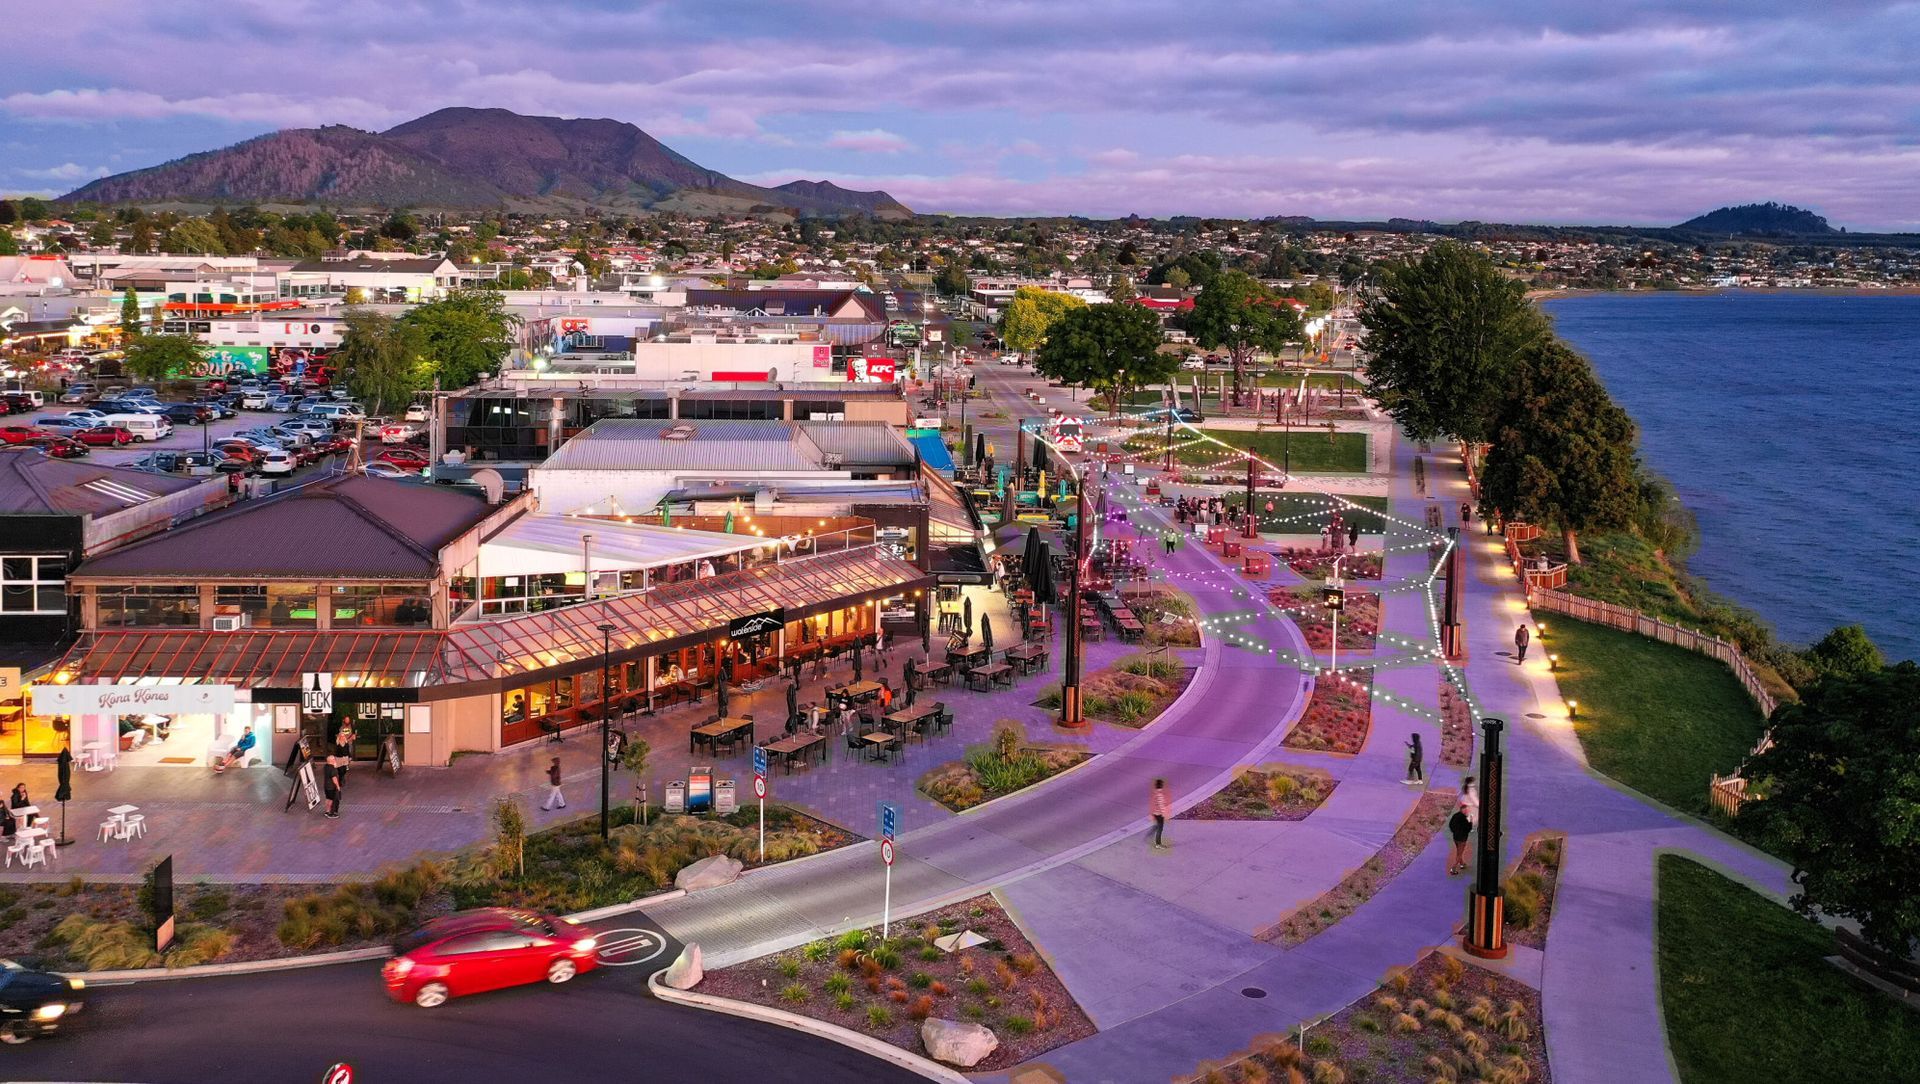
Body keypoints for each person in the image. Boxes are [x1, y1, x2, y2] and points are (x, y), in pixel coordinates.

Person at [1448, 777, 1478, 875]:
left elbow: (1451, 824)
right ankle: (1453, 868)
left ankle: (1462, 863)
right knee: (1459, 852)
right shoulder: (1467, 818)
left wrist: (1454, 831)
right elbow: (1468, 827)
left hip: (1455, 836)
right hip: (1462, 838)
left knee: (1458, 850)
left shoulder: (1456, 816)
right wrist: (1468, 829)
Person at [323, 724, 354, 820]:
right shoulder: (332, 769)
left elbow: (348, 751)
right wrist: (338, 786)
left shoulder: (326, 767)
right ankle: (331, 813)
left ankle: (327, 811)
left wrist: (348, 758)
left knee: (328, 798)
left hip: (327, 786)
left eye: (343, 736)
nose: (342, 737)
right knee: (332, 799)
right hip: (332, 786)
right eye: (341, 736)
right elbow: (334, 779)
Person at [1149, 778, 1170, 849]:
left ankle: (1157, 842)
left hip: (1155, 812)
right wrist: (1164, 814)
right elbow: (1161, 805)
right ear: (1161, 785)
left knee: (1158, 826)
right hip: (1159, 814)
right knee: (1160, 829)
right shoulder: (1160, 795)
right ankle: (1158, 844)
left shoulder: (1155, 793)